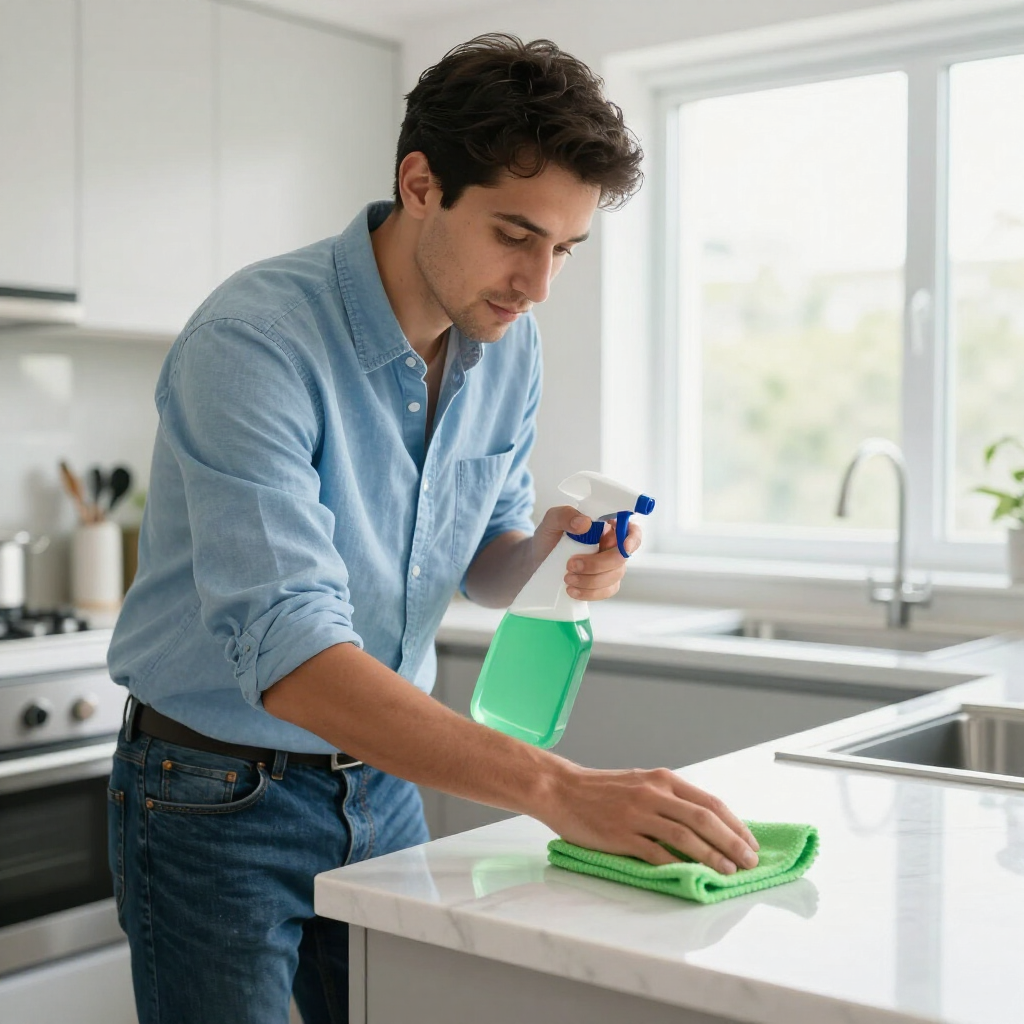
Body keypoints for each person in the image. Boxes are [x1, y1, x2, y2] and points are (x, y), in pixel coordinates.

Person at [106, 33, 759, 1024]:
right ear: (421, 184)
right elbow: (293, 651)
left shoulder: (506, 344)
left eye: (563, 250)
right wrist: (559, 788)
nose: (538, 282)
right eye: (515, 234)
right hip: (212, 794)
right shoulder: (254, 342)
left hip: (385, 786)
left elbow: (479, 562)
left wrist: (549, 553)